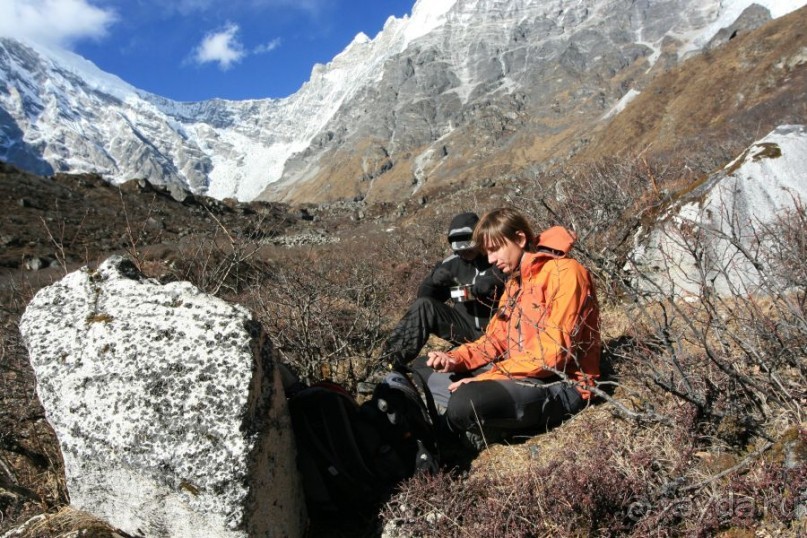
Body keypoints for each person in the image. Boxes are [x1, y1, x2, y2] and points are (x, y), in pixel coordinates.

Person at [414, 207, 601, 449]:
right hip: (521, 372)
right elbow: (494, 340)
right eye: (487, 252)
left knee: (465, 401)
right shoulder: (514, 284)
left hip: (563, 384)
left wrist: (487, 377)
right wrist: (453, 358)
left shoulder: (565, 273)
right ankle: (476, 417)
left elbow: (552, 355)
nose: (490, 259)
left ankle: (473, 423)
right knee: (423, 366)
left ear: (520, 239)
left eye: (494, 249)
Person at [378, 212, 506, 370]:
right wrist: (433, 281)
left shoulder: (496, 256)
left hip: (498, 331)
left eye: (469, 247)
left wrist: (477, 288)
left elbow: (497, 283)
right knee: (424, 306)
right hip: (465, 329)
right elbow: (424, 301)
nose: (466, 253)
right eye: (461, 250)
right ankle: (389, 361)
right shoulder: (450, 264)